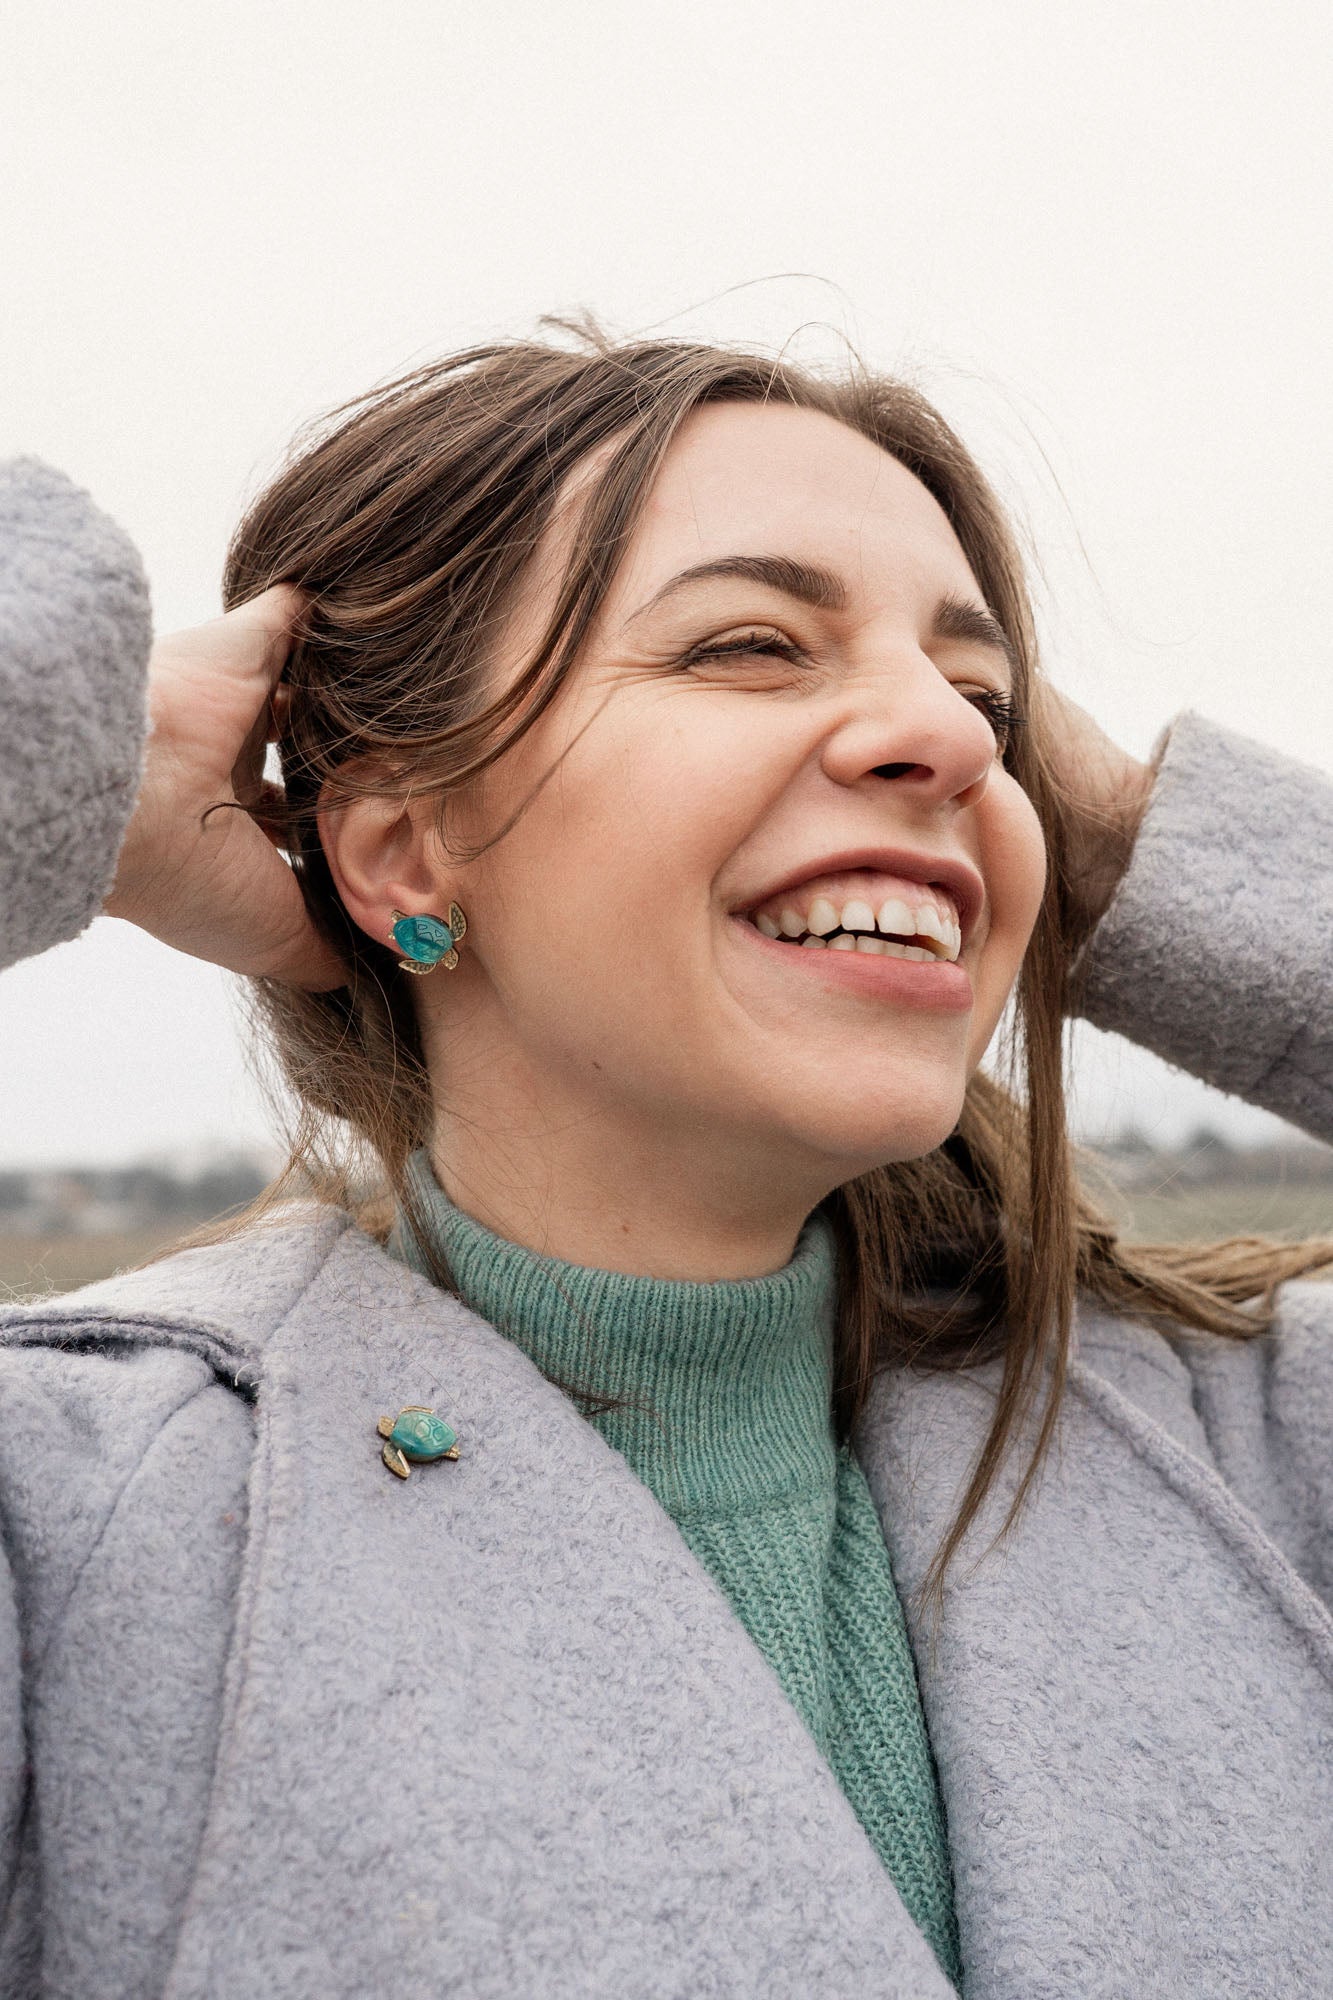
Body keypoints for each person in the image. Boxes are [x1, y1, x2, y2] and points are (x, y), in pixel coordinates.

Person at [1, 336, 1330, 2000]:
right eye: (747, 645)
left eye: (984, 702)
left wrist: (1126, 836)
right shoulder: (73, 1522)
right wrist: (80, 751)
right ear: (404, 850)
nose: (946, 736)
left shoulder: (1259, 1458)